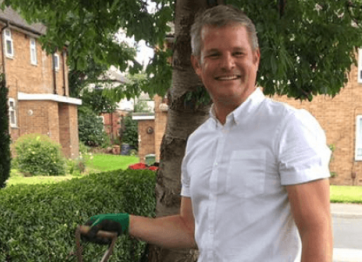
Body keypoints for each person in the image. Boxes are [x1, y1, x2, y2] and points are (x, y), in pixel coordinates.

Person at [84, 5, 333, 262]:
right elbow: (190, 228)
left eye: (238, 53)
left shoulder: (289, 127)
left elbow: (317, 231)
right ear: (197, 64)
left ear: (256, 58)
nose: (227, 64)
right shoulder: (198, 140)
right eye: (214, 54)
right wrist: (128, 223)